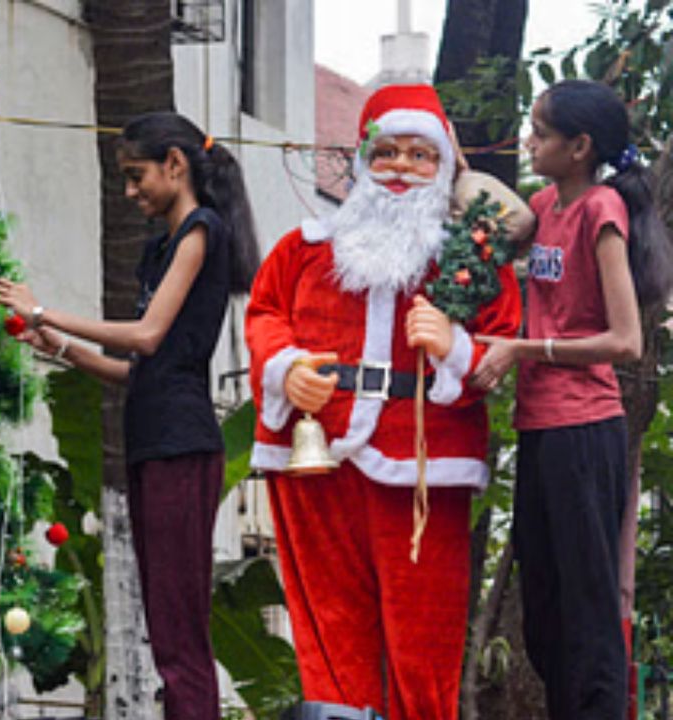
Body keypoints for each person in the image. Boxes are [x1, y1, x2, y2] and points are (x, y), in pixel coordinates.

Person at [247, 84, 528, 720]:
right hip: (314, 456)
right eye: (387, 152)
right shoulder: (304, 248)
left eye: (420, 155)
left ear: (444, 169)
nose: (401, 168)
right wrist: (287, 367)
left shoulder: (473, 262)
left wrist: (453, 345)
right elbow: (265, 313)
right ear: (363, 159)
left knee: (422, 636)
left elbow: (500, 346)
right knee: (328, 628)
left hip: (423, 466)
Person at [0, 111, 258, 720]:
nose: (131, 191)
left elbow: (146, 334)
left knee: (179, 636)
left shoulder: (200, 230)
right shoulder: (162, 246)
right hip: (153, 439)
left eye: (137, 176)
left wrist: (43, 314)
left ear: (176, 164)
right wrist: (64, 350)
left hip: (180, 445)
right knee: (165, 629)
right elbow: (139, 370)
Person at [470, 79, 673, 719]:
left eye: (541, 131)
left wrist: (524, 350)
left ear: (580, 146)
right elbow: (486, 228)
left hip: (586, 431)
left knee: (586, 616)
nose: (528, 140)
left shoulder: (602, 211)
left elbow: (626, 340)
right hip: (541, 427)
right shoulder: (549, 206)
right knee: (547, 617)